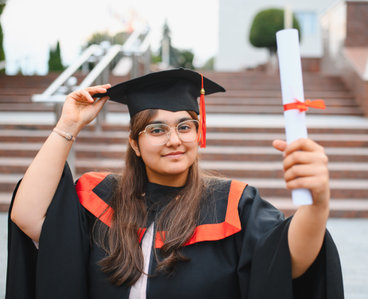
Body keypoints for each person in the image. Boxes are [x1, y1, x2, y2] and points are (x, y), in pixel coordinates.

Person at [7, 68, 343, 299]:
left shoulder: (232, 204)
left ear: (199, 134)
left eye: (185, 126)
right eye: (157, 129)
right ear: (135, 144)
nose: (174, 140)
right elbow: (28, 215)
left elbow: (288, 261)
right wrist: (69, 124)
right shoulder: (100, 198)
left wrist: (318, 204)